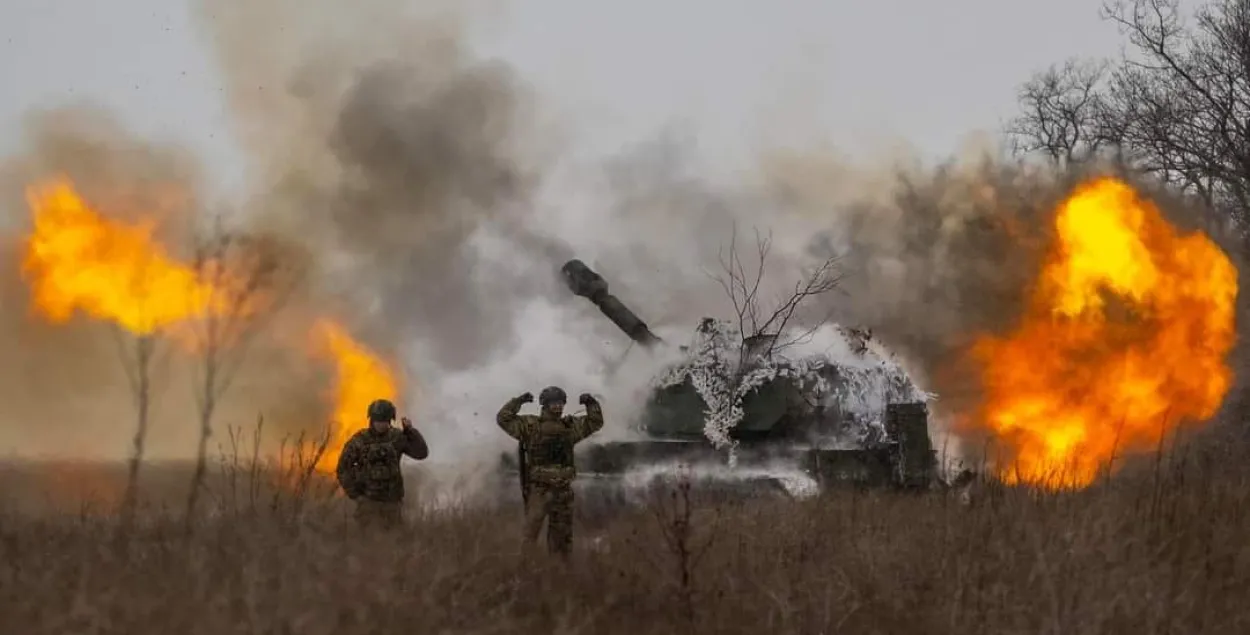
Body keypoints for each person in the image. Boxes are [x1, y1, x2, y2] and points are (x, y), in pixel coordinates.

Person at [496, 386, 603, 555]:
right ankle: (527, 571)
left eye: (560, 403)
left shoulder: (570, 427)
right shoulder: (530, 426)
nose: (558, 406)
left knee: (561, 538)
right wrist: (518, 401)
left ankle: (558, 573)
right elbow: (503, 419)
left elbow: (595, 422)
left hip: (562, 490)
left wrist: (591, 403)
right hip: (539, 489)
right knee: (530, 534)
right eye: (554, 403)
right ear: (545, 405)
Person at [335, 398, 429, 530]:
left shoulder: (397, 438)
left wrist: (410, 431)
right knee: (367, 542)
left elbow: (421, 453)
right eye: (378, 420)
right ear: (371, 420)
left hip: (392, 503)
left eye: (385, 420)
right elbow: (342, 468)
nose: (381, 424)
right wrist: (356, 495)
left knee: (394, 543)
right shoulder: (359, 440)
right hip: (368, 502)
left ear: (390, 420)